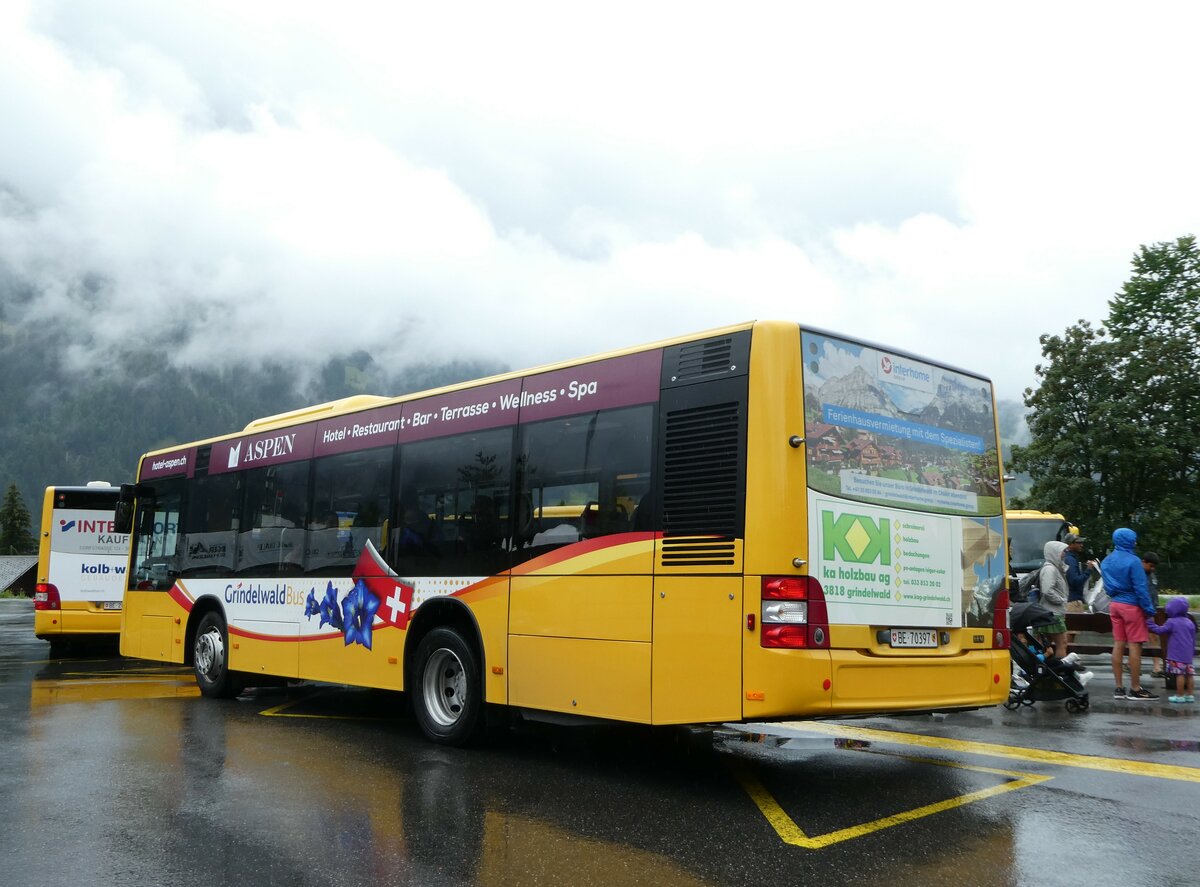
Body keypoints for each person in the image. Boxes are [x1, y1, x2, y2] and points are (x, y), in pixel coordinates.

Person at [1101, 527, 1158, 700]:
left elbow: (1107, 586)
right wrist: (1148, 610)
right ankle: (1135, 688)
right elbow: (1141, 588)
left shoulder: (1107, 561)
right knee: (1135, 646)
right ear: (1130, 541)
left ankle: (1119, 688)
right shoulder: (1133, 561)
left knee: (1118, 644)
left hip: (1115, 605)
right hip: (1131, 606)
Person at [1146, 596, 1196, 703]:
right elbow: (1193, 638)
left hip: (1177, 654)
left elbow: (1160, 630)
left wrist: (1150, 624)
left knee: (1180, 675)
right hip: (1188, 654)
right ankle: (1190, 695)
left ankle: (1180, 695)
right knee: (1189, 675)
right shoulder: (1189, 622)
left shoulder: (1172, 622)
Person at [1036, 540, 1071, 659]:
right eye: (1062, 551)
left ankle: (1047, 669)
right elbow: (1047, 590)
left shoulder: (1054, 568)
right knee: (1062, 643)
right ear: (1054, 553)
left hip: (1050, 613)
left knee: (1045, 644)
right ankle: (1062, 671)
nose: (1064, 554)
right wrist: (1061, 600)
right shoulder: (1050, 569)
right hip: (1053, 614)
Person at [1141, 552, 1164, 677]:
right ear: (1143, 562)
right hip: (1143, 609)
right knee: (1137, 638)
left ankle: (1156, 667)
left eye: (1154, 566)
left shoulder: (1151, 574)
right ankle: (1130, 664)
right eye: (1150, 565)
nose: (1152, 568)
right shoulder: (1138, 574)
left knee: (1153, 637)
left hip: (1152, 609)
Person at [1063, 532, 1097, 614]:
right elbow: (1075, 581)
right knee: (1076, 626)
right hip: (1073, 602)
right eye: (1078, 543)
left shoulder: (1069, 558)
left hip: (1070, 599)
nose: (1081, 545)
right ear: (1070, 544)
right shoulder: (1070, 560)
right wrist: (1088, 570)